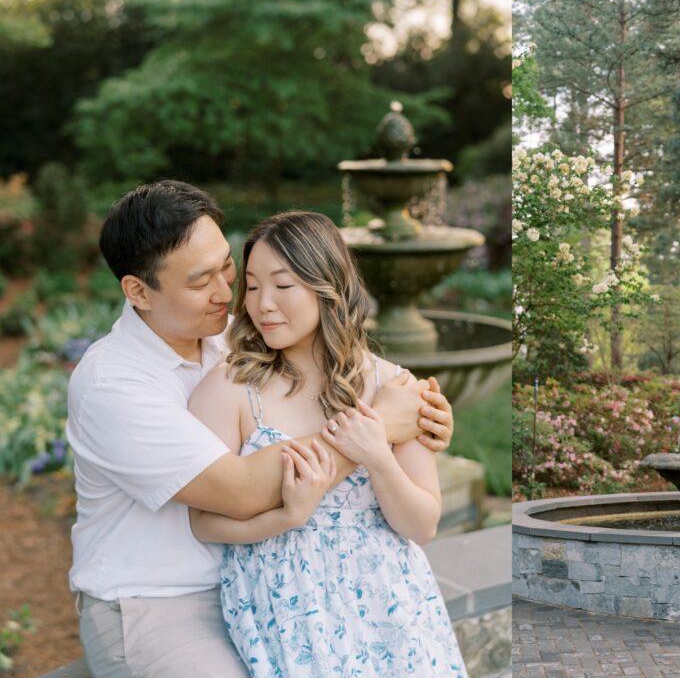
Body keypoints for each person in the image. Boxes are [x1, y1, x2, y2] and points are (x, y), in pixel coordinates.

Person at [67, 182, 455, 677]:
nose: (227, 293)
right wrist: (379, 426)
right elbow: (241, 489)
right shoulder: (112, 385)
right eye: (200, 280)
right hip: (157, 601)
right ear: (138, 290)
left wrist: (425, 419)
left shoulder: (235, 337)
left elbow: (340, 375)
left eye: (227, 268)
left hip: (258, 585)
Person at [186, 210, 467, 677]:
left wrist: (377, 457)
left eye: (282, 285)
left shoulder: (395, 386)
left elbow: (422, 526)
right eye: (252, 286)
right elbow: (203, 522)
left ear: (326, 285)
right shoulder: (230, 389)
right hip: (287, 607)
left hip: (390, 602)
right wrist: (284, 517)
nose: (262, 304)